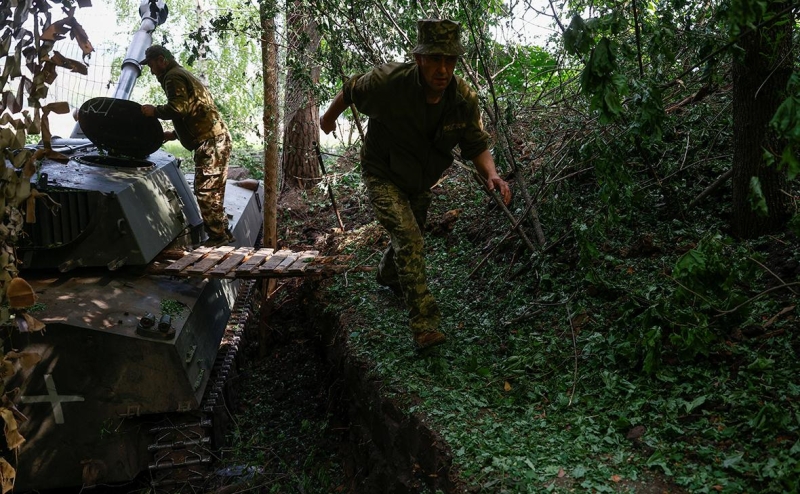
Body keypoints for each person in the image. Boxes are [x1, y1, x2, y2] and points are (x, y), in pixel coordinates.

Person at [320, 19, 512, 351]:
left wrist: (492, 175)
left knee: (412, 237)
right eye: (435, 59)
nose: (443, 69)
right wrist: (328, 118)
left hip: (421, 179)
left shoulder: (463, 99)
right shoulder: (389, 82)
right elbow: (351, 89)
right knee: (409, 237)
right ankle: (424, 325)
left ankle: (387, 274)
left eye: (449, 60)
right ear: (419, 58)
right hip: (383, 172)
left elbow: (476, 145)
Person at [139, 44, 234, 248]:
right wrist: (174, 134)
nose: (151, 69)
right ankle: (223, 231)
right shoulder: (182, 73)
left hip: (210, 142)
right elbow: (194, 110)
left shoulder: (173, 77)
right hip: (216, 138)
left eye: (152, 64)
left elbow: (178, 108)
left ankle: (218, 238)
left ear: (162, 60)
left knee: (206, 191)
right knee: (214, 190)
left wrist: (153, 111)